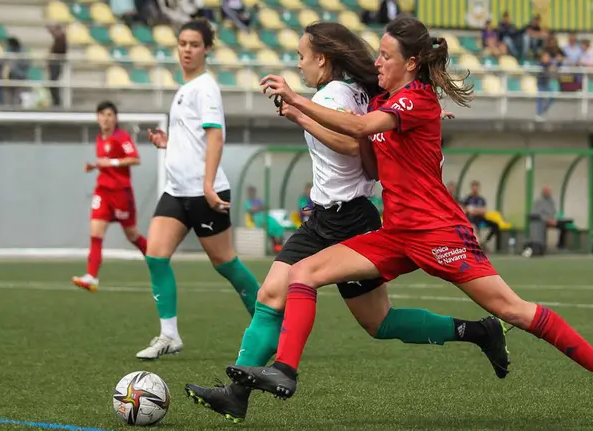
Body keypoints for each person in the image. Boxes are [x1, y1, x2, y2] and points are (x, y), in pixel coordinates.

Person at [228, 16, 593, 420]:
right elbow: (371, 161)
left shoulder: (415, 99)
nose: (377, 62)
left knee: (514, 311)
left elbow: (364, 127)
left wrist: (298, 101)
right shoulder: (386, 101)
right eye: (377, 55)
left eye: (386, 55)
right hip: (396, 233)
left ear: (411, 63)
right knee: (303, 273)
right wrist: (315, 117)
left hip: (439, 233)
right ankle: (284, 370)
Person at [184, 21, 509, 423]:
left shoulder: (333, 93)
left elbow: (354, 144)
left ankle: (480, 331)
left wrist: (300, 112)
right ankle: (236, 395)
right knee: (273, 295)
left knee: (378, 322)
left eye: (302, 57)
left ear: (322, 58)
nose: (299, 65)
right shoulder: (352, 90)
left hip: (350, 218)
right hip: (324, 216)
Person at [138, 19, 260, 360]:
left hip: (205, 192)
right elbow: (193, 137)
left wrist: (208, 184)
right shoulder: (185, 89)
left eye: (194, 44)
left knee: (226, 263)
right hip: (177, 192)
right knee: (156, 256)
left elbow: (215, 135)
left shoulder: (206, 87)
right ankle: (169, 335)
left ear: (207, 48)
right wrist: (169, 142)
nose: (187, 50)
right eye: (182, 44)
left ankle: (271, 325)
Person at [72, 102, 148, 292]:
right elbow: (105, 164)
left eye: (109, 115)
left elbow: (135, 159)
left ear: (115, 118)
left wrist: (111, 162)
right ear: (97, 118)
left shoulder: (121, 137)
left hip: (121, 193)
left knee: (132, 235)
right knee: (96, 234)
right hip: (103, 191)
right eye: (102, 115)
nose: (105, 119)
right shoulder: (99, 138)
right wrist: (94, 166)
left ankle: (156, 259)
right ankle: (91, 276)